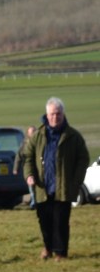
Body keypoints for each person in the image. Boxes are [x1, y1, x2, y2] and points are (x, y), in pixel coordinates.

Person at [22, 97, 90, 261]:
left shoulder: (73, 136)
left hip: (63, 186)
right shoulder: (37, 136)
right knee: (44, 221)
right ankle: (48, 248)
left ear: (63, 114)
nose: (55, 117)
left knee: (60, 221)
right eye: (52, 114)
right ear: (46, 114)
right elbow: (28, 157)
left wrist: (76, 180)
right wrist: (29, 175)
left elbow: (83, 159)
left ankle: (60, 252)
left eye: (58, 114)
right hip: (42, 187)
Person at [18, 126, 37, 208]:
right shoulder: (25, 144)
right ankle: (33, 202)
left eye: (34, 131)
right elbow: (19, 156)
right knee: (31, 187)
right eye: (31, 132)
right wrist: (16, 168)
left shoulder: (41, 142)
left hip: (40, 168)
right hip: (30, 168)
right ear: (28, 133)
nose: (33, 133)